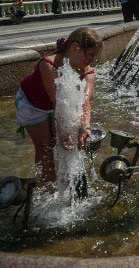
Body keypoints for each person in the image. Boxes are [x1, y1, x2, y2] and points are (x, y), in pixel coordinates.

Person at [14, 27, 103, 184]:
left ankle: (64, 184)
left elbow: (85, 101)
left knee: (64, 144)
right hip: (33, 105)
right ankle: (49, 190)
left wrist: (85, 127)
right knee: (45, 148)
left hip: (55, 105)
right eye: (90, 55)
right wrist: (63, 132)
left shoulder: (88, 73)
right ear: (75, 48)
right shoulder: (49, 65)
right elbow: (57, 101)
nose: (92, 60)